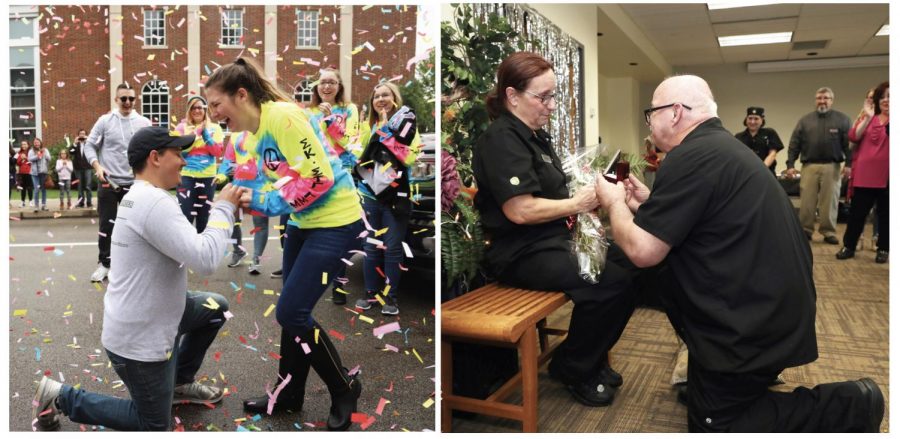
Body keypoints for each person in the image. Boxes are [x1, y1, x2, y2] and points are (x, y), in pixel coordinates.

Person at [594, 74, 884, 432]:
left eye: (650, 113)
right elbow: (704, 221)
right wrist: (648, 206)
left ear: (674, 113)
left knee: (715, 425)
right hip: (767, 305)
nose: (649, 122)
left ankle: (851, 404)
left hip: (751, 324)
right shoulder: (717, 148)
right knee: (701, 399)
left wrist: (613, 205)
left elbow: (643, 251)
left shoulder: (690, 157)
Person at [31, 126, 250, 431]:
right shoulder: (154, 203)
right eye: (177, 154)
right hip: (140, 338)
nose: (184, 162)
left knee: (216, 307)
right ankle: (60, 397)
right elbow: (206, 258)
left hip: (152, 313)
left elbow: (184, 244)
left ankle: (178, 384)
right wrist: (225, 207)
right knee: (152, 425)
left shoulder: (143, 196)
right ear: (155, 157)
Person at [204, 56, 364, 430]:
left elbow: (319, 178)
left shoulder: (283, 117)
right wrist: (244, 193)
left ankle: (344, 387)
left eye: (216, 105)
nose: (213, 115)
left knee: (291, 313)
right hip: (303, 224)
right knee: (293, 314)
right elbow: (280, 178)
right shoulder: (258, 129)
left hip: (336, 223)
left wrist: (262, 202)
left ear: (240, 95)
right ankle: (289, 393)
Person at [472, 52, 634, 407]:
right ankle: (572, 366)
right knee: (609, 281)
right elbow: (520, 209)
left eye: (554, 95)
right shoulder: (501, 139)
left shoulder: (535, 137)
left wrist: (589, 198)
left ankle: (589, 355)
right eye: (543, 97)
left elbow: (554, 193)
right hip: (520, 253)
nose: (551, 105)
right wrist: (579, 204)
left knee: (635, 264)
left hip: (554, 241)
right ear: (512, 96)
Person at [353, 81, 421, 316]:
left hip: (395, 196)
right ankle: (370, 293)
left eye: (385, 95)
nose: (381, 99)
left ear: (395, 98)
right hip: (369, 195)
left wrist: (386, 132)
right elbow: (358, 156)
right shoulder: (367, 127)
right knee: (371, 247)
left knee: (392, 248)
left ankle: (390, 297)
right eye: (376, 96)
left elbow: (410, 158)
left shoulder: (408, 124)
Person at [83, 83, 152, 282]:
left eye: (131, 99)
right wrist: (97, 167)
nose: (128, 102)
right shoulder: (105, 121)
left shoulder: (143, 122)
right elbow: (89, 145)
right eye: (123, 99)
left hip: (134, 183)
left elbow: (151, 150)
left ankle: (134, 265)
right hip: (109, 182)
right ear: (116, 100)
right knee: (107, 225)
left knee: (135, 225)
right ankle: (105, 264)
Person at [305, 68, 362, 305]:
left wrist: (330, 121)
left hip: (341, 173)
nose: (326, 86)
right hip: (316, 172)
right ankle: (315, 281)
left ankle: (340, 282)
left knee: (340, 229)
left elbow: (350, 141)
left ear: (339, 86)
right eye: (322, 82)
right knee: (318, 229)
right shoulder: (308, 112)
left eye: (331, 82)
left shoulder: (349, 109)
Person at [785, 87, 851, 244]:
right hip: (809, 166)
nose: (822, 101)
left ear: (831, 100)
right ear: (815, 100)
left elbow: (848, 145)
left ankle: (828, 231)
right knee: (807, 200)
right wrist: (790, 164)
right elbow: (794, 144)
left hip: (832, 166)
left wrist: (849, 164)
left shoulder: (842, 120)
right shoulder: (805, 121)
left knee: (830, 201)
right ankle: (806, 230)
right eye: (819, 98)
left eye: (826, 98)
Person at [836, 81, 889, 263]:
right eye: (882, 97)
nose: (886, 100)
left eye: (890, 96)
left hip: (888, 176)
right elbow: (853, 137)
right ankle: (849, 246)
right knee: (857, 213)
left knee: (886, 214)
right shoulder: (868, 117)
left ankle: (884, 248)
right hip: (865, 175)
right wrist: (867, 117)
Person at [216, 130, 269, 274]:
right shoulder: (235, 134)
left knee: (260, 224)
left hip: (261, 186)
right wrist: (221, 174)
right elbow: (228, 159)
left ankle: (256, 260)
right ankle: (238, 251)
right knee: (232, 220)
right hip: (239, 185)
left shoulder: (265, 130)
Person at [173, 95, 225, 233]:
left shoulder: (215, 128)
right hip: (186, 177)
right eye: (193, 108)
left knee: (204, 219)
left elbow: (217, 152)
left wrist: (206, 136)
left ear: (205, 110)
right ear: (189, 110)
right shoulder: (181, 127)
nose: (197, 110)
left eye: (200, 107)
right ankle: (185, 251)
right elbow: (180, 152)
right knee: (186, 216)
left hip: (208, 178)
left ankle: (202, 252)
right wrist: (196, 134)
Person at [734, 106, 784, 175]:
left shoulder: (770, 133)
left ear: (762, 120)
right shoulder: (738, 137)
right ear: (746, 119)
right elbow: (737, 157)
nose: (752, 122)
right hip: (745, 174)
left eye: (756, 119)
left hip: (766, 173)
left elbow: (772, 154)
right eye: (750, 118)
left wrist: (761, 169)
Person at [71, 129, 95, 208]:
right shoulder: (76, 144)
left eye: (83, 134)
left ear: (86, 135)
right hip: (78, 168)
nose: (82, 135)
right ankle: (81, 202)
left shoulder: (89, 144)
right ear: (78, 135)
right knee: (80, 186)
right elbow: (71, 152)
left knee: (88, 185)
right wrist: (74, 143)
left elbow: (95, 149)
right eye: (80, 133)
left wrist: (89, 141)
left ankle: (89, 202)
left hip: (87, 167)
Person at [27, 138, 51, 212]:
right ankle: (36, 206)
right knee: (36, 189)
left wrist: (44, 153)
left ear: (40, 143)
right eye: (35, 143)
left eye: (38, 142)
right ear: (33, 144)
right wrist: (37, 155)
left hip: (43, 172)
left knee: (43, 189)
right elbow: (29, 159)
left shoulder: (45, 150)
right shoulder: (31, 151)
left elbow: (49, 159)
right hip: (35, 173)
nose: (37, 144)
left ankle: (44, 205)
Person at [16, 141, 34, 208]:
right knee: (22, 188)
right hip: (21, 173)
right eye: (22, 144)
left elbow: (33, 162)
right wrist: (21, 160)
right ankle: (22, 202)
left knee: (29, 187)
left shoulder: (31, 152)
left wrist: (26, 158)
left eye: (25, 144)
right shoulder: (19, 153)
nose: (23, 145)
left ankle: (30, 201)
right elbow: (17, 163)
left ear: (28, 145)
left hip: (29, 172)